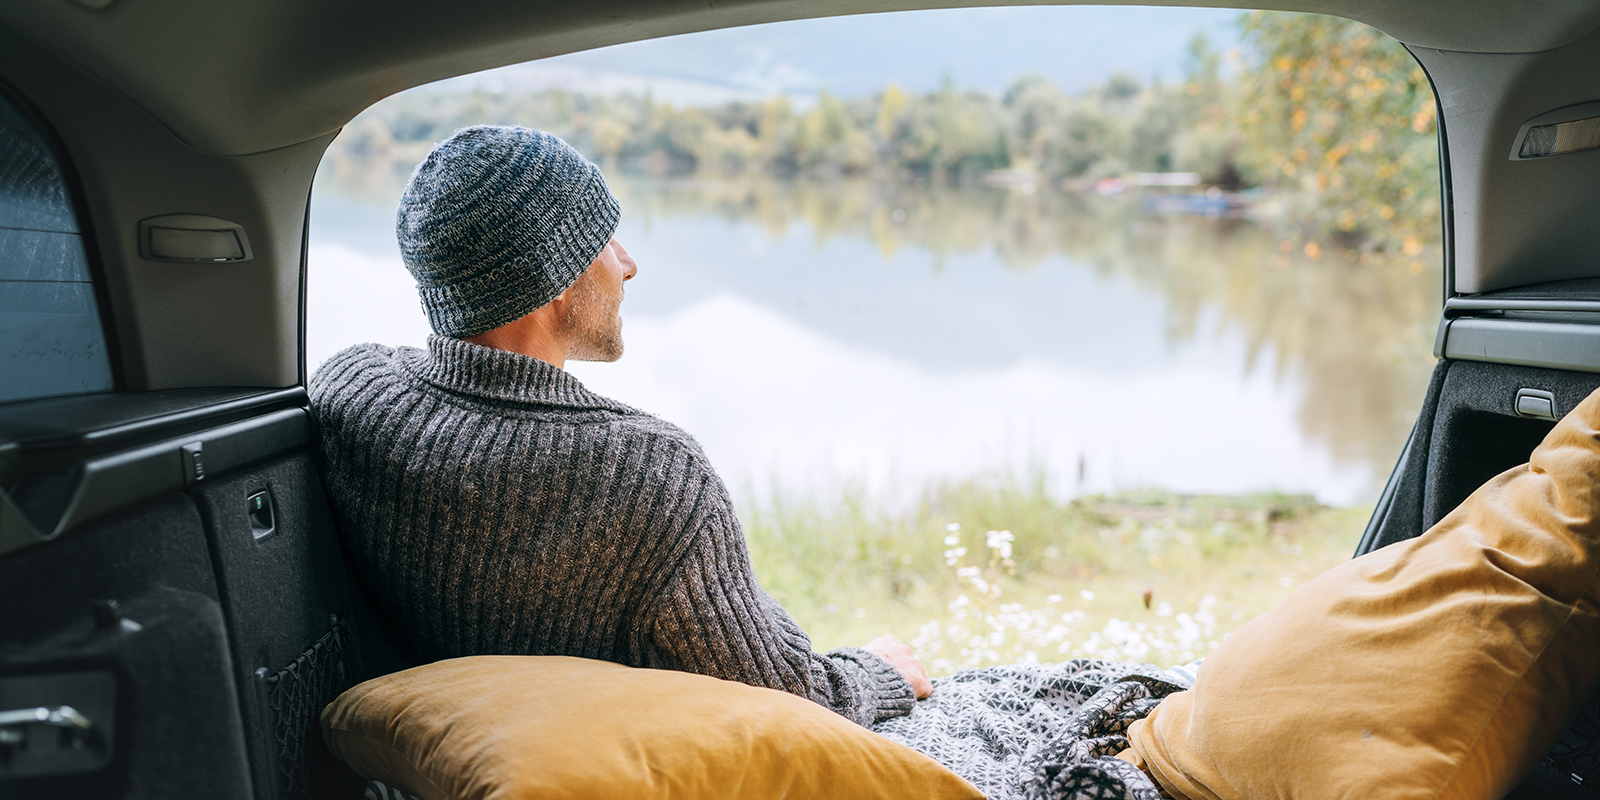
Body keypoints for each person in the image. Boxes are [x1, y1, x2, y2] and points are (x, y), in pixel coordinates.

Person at [312, 125, 1185, 800]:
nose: (629, 263)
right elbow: (785, 696)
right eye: (605, 240)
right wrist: (882, 671)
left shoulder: (351, 390)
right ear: (550, 276)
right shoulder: (641, 469)